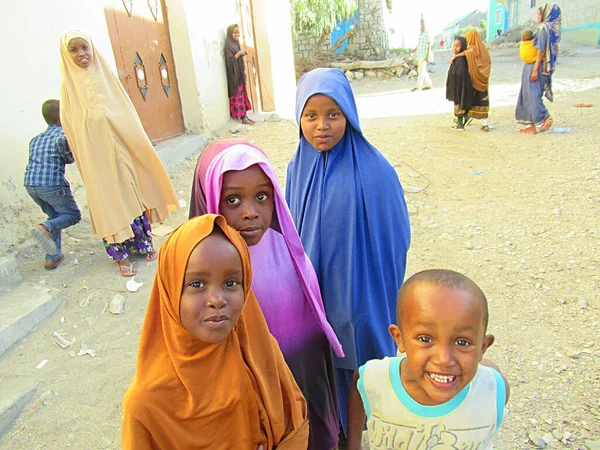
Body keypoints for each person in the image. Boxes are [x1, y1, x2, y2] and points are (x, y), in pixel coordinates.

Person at [189, 139, 344, 450]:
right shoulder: (201, 269)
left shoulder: (287, 248)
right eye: (232, 200)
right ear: (209, 198)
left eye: (262, 197)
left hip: (304, 376)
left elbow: (312, 325)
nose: (250, 213)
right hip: (252, 392)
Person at [286, 68, 411, 436]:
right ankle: (330, 431)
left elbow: (394, 240)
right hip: (314, 294)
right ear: (299, 118)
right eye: (311, 115)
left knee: (357, 365)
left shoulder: (375, 171)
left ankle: (353, 437)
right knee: (318, 365)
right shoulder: (297, 169)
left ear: (349, 116)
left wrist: (374, 293)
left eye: (333, 114)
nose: (322, 125)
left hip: (359, 296)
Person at [122, 214, 309, 449]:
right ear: (169, 290)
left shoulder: (259, 348)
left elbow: (295, 421)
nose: (217, 300)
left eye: (231, 283)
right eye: (197, 284)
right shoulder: (146, 404)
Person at [346, 269, 510, 450]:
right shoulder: (376, 379)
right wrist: (353, 445)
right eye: (425, 339)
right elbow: (358, 384)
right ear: (399, 338)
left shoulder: (493, 388)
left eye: (462, 342)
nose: (444, 359)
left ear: (483, 347)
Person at [59, 30, 179, 276]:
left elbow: (127, 115)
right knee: (109, 199)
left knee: (134, 191)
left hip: (124, 147)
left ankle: (144, 244)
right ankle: (120, 255)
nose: (81, 54)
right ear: (65, 54)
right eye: (74, 50)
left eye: (85, 47)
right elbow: (73, 131)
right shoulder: (69, 91)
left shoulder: (108, 79)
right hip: (97, 156)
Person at [24, 99, 81, 270]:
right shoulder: (62, 136)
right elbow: (69, 158)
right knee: (72, 215)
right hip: (53, 185)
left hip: (31, 185)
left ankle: (52, 257)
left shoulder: (35, 139)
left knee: (56, 216)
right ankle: (44, 227)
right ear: (61, 117)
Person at [515, 3, 561, 134]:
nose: (537, 17)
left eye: (539, 14)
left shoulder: (543, 29)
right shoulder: (551, 29)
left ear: (547, 14)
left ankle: (545, 117)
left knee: (532, 94)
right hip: (539, 66)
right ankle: (532, 126)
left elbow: (541, 51)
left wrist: (535, 69)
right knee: (529, 93)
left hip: (537, 66)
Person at [450, 30, 492, 132]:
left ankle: (464, 120)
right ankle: (485, 124)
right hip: (483, 81)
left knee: (469, 100)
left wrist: (456, 55)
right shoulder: (484, 51)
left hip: (474, 81)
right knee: (483, 101)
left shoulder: (471, 50)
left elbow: (469, 53)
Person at [225, 24, 255, 125]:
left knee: (242, 94)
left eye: (238, 32)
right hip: (234, 77)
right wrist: (239, 54)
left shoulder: (236, 43)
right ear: (230, 33)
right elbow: (229, 62)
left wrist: (242, 53)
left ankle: (245, 116)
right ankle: (242, 117)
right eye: (234, 32)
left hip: (239, 75)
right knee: (238, 95)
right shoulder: (228, 46)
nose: (237, 34)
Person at [446, 37, 473, 131]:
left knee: (459, 106)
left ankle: (460, 125)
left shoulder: (461, 60)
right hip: (457, 86)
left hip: (459, 87)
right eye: (454, 45)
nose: (455, 48)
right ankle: (466, 117)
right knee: (459, 105)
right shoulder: (458, 58)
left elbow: (460, 74)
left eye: (457, 46)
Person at [411, 17, 432, 91]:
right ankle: (428, 84)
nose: (422, 25)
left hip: (424, 53)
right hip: (419, 53)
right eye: (421, 24)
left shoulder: (427, 33)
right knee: (421, 70)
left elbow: (429, 45)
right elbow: (419, 44)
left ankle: (418, 86)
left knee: (421, 71)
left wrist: (427, 56)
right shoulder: (420, 34)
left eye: (423, 24)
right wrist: (415, 50)